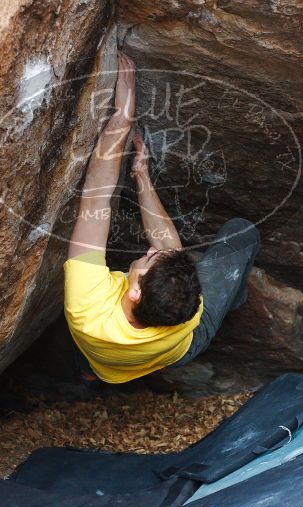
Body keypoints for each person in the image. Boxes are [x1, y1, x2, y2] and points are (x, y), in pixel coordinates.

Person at [63, 53, 260, 384]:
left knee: (101, 364)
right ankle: (233, 299)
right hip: (183, 349)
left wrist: (122, 118)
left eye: (150, 260)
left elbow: (95, 197)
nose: (151, 251)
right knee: (242, 232)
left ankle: (96, 375)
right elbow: (168, 246)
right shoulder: (188, 312)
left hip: (110, 365)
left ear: (136, 292)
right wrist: (141, 175)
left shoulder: (87, 309)